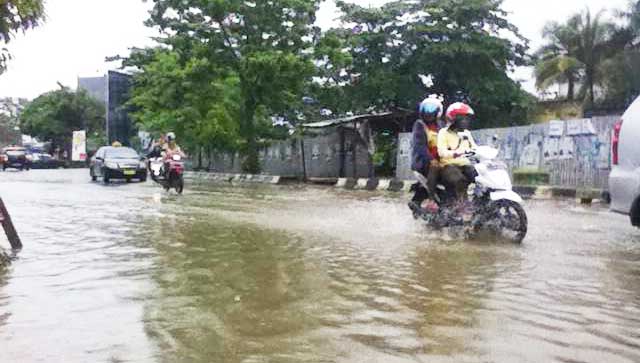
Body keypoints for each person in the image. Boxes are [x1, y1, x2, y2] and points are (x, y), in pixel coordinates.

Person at [437, 102, 478, 206]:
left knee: (481, 178)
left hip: (465, 165)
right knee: (460, 180)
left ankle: (480, 205)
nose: (466, 121)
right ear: (454, 119)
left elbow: (474, 148)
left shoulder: (466, 133)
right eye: (463, 118)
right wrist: (456, 153)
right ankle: (457, 206)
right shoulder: (443, 133)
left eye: (467, 118)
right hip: (448, 166)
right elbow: (441, 152)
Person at [409, 95, 444, 213]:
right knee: (436, 168)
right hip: (423, 162)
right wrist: (431, 159)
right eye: (426, 111)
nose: (428, 115)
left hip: (441, 160)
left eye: (431, 112)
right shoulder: (419, 125)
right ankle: (431, 199)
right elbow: (420, 146)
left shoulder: (441, 126)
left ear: (438, 113)